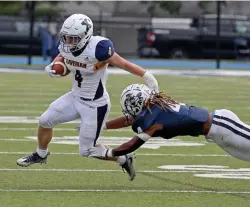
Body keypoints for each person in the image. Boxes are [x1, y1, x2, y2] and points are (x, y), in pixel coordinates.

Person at [88, 84, 250, 191]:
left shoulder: (154, 119)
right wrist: (101, 127)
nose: (131, 115)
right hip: (214, 134)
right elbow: (130, 120)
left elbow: (133, 144)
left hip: (221, 123)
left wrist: (111, 153)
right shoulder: (152, 108)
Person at [16, 14, 159, 181]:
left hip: (95, 105)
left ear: (85, 36)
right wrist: (54, 66)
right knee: (45, 120)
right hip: (74, 96)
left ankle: (123, 158)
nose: (68, 41)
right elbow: (64, 58)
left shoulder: (99, 48)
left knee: (87, 150)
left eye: (73, 38)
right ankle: (41, 154)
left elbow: (124, 64)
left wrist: (147, 76)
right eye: (66, 37)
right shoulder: (66, 45)